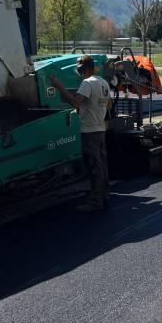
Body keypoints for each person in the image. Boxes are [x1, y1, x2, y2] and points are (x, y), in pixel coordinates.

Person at [49, 55, 112, 212]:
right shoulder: (103, 82)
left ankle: (96, 202)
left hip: (89, 132)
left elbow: (75, 102)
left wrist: (60, 87)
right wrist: (91, 108)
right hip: (100, 129)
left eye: (80, 70)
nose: (79, 73)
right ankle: (105, 197)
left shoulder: (87, 83)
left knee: (93, 167)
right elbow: (109, 105)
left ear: (84, 70)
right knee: (102, 165)